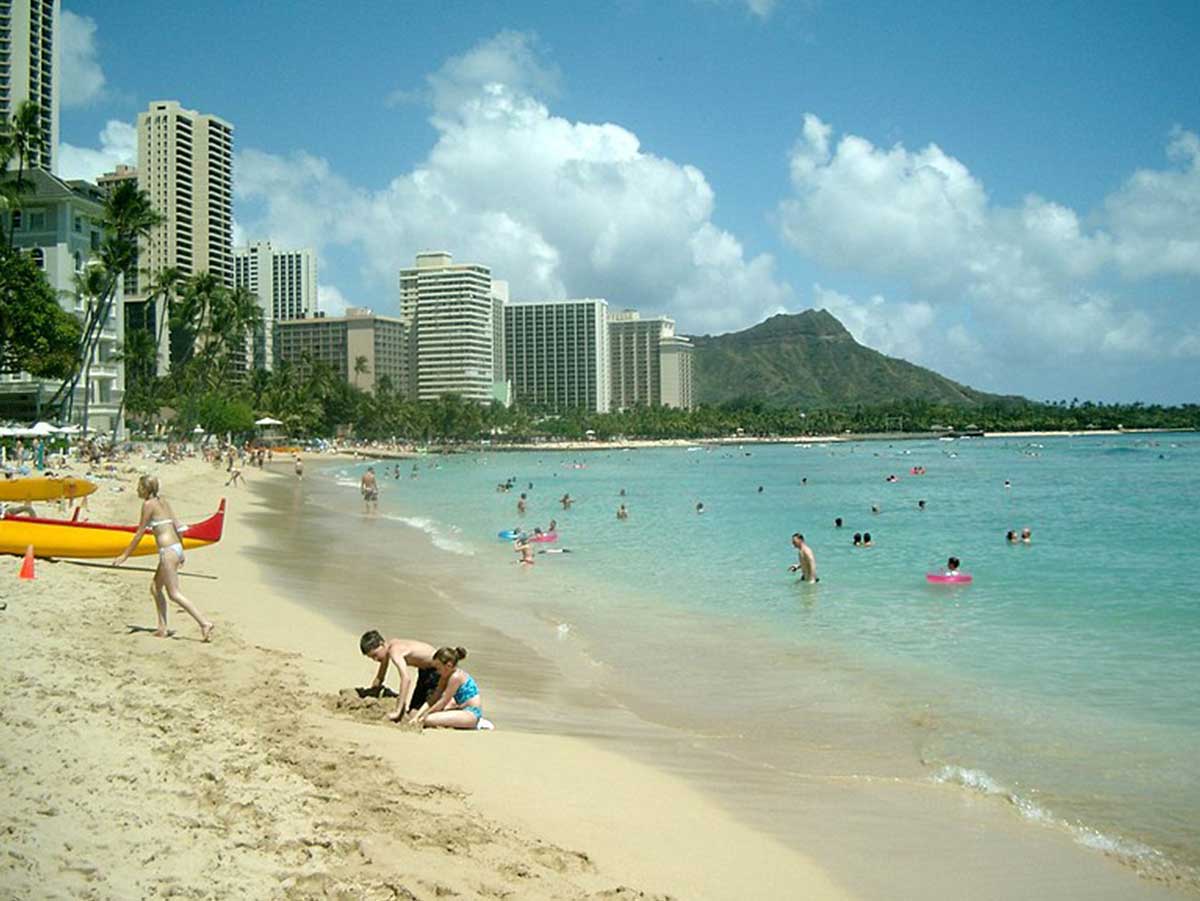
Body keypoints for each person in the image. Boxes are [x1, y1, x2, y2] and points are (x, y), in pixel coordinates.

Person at [114, 475, 214, 642]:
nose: (137, 490)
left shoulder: (148, 505)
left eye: (139, 487)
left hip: (168, 551)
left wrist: (125, 555)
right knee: (155, 587)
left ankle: (204, 623)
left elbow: (139, 533)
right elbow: (178, 527)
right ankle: (163, 628)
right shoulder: (163, 501)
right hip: (175, 548)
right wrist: (181, 552)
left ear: (145, 489)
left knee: (174, 593)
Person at [359, 631, 440, 723]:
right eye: (372, 658)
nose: (375, 659)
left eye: (375, 655)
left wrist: (398, 711)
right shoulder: (388, 648)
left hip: (438, 671)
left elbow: (406, 679)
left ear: (382, 644)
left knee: (426, 714)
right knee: (413, 713)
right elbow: (380, 676)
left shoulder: (394, 650)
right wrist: (373, 691)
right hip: (424, 672)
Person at [414, 646, 484, 729]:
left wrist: (425, 715)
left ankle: (478, 724)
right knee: (419, 716)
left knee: (427, 719)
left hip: (471, 713)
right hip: (461, 709)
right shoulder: (444, 676)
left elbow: (444, 701)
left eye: (438, 668)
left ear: (448, 666)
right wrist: (417, 716)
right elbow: (434, 698)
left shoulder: (456, 677)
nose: (437, 672)